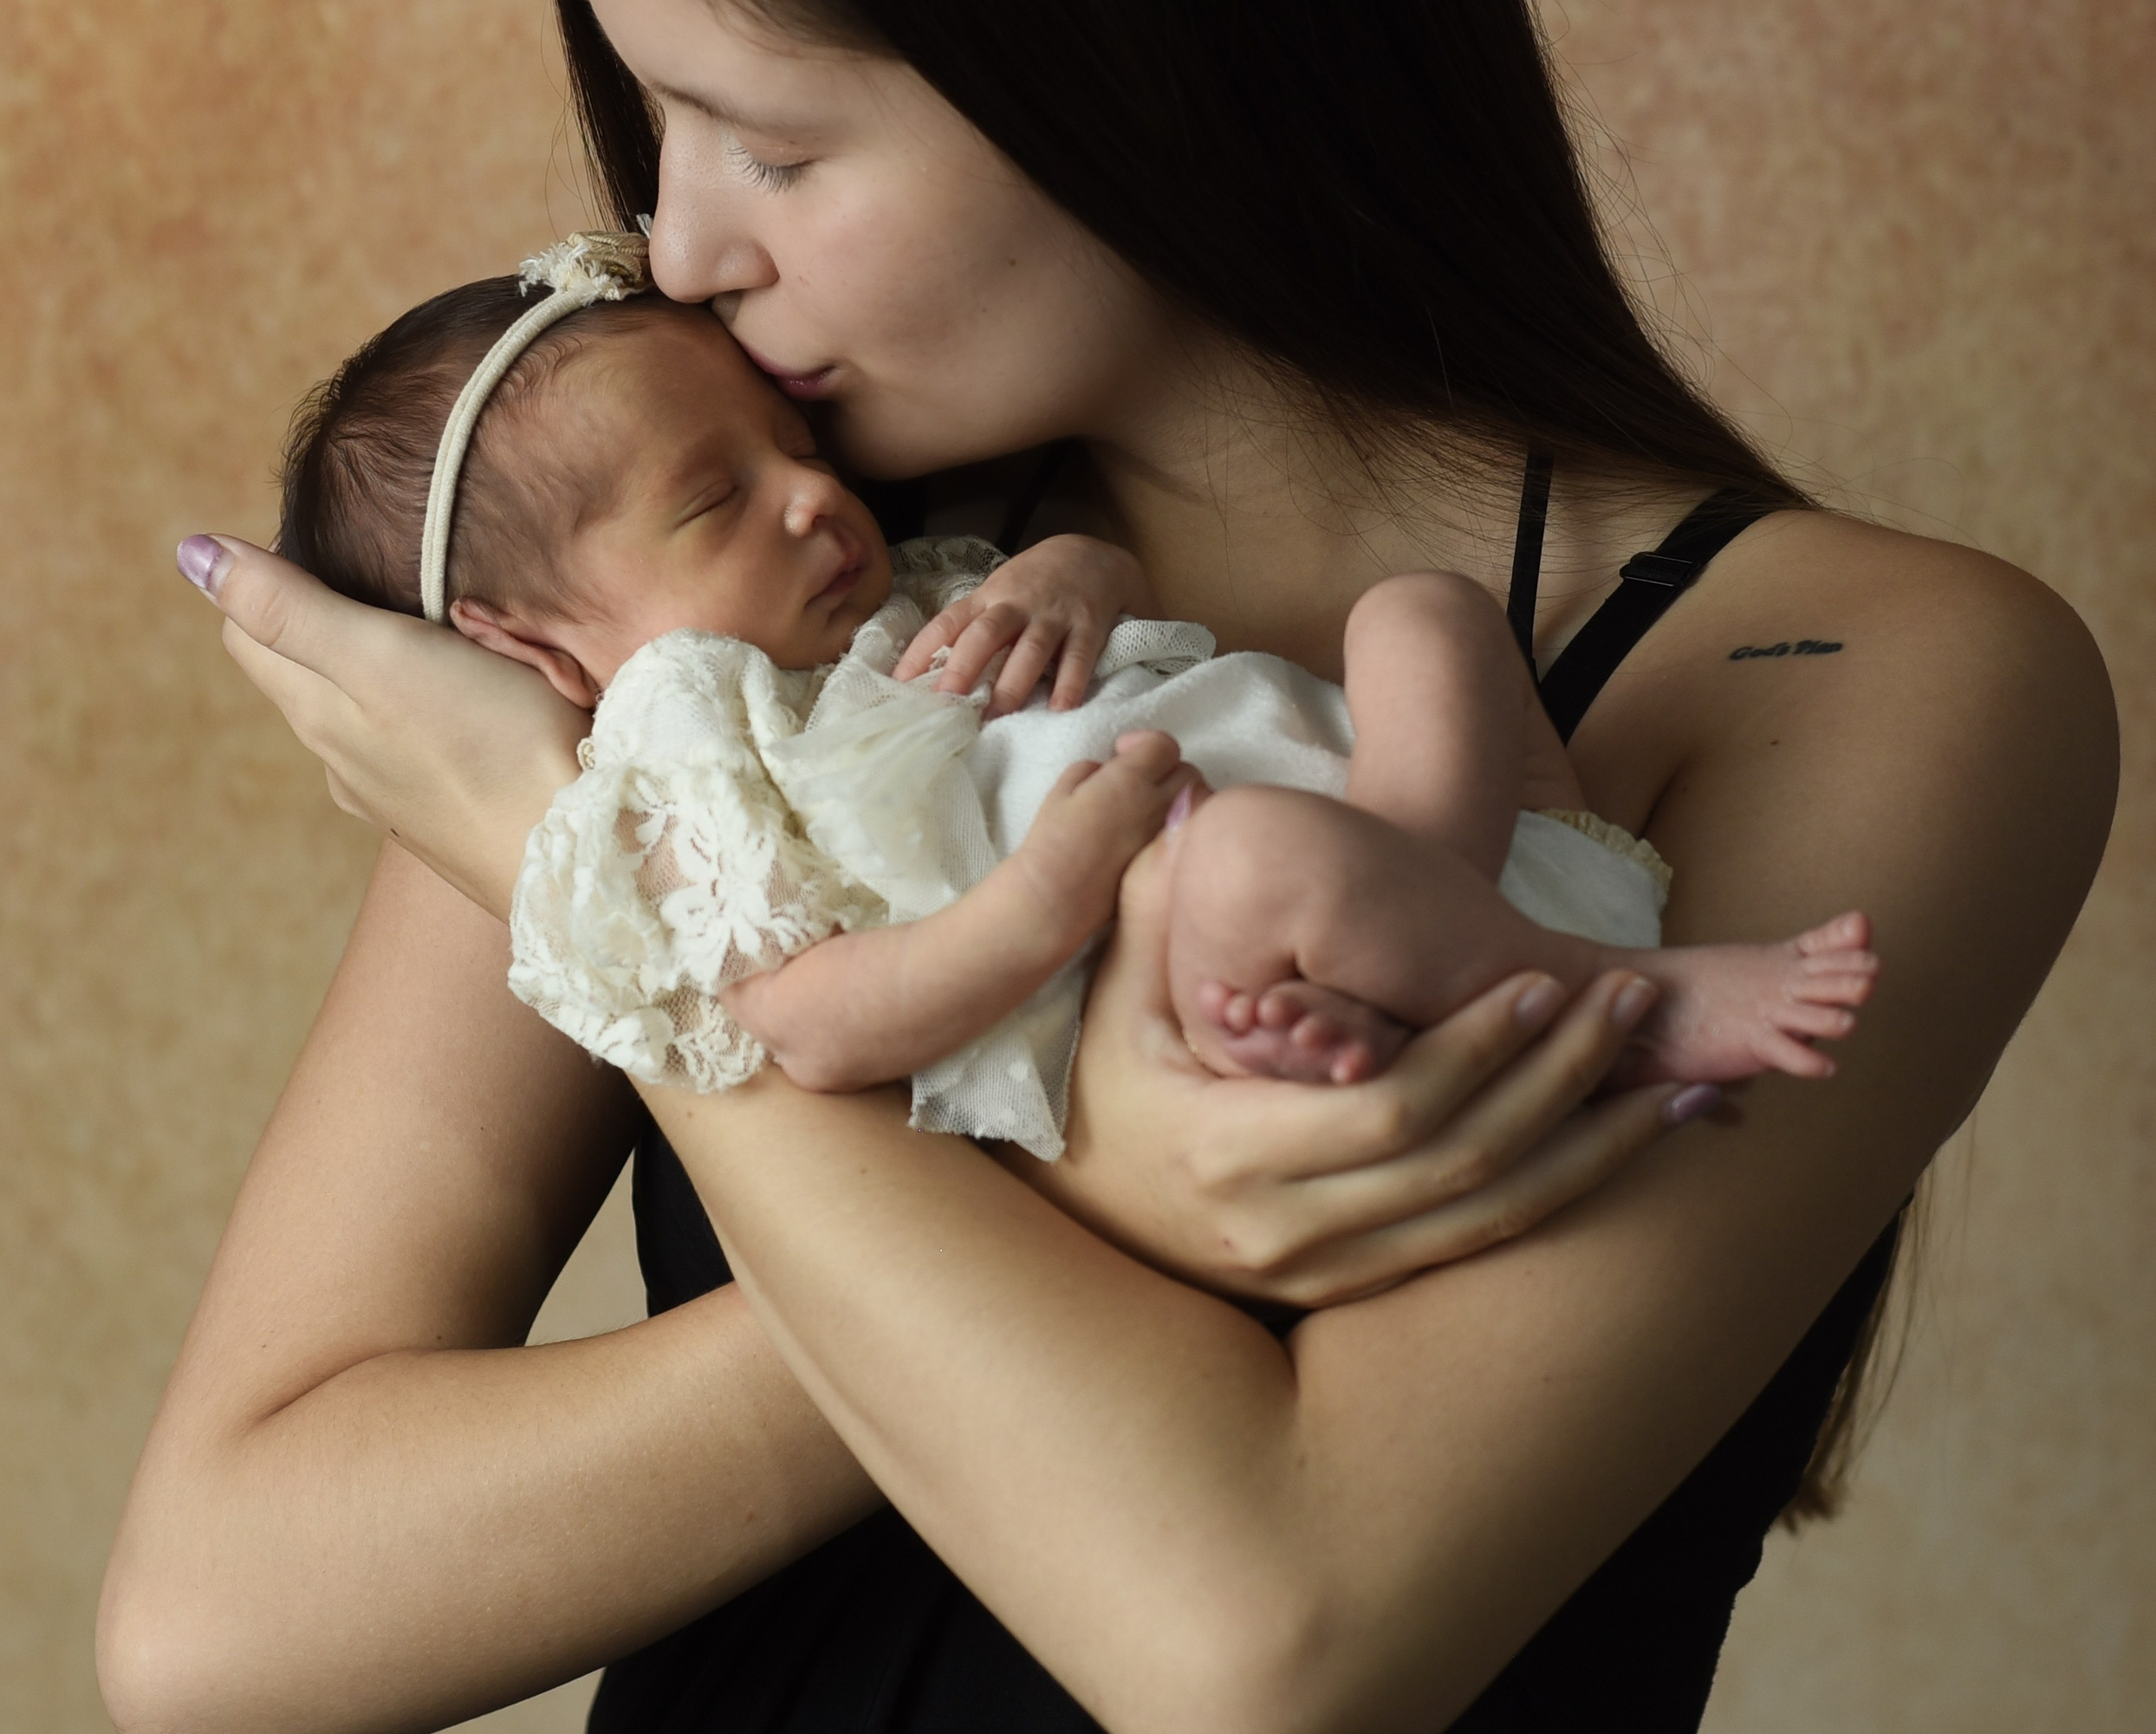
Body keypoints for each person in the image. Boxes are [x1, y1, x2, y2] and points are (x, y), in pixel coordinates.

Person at [98, 0, 2114, 1734]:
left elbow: (1260, 1636)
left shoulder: (1865, 679)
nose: (675, 264)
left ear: (1142, 44)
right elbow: (217, 1642)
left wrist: (638, 925)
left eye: (772, 144)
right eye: (649, 127)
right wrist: (1031, 1143)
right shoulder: (730, 654)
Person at [279, 237, 1876, 1140]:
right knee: (1256, 865)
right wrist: (1048, 895)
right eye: (716, 504)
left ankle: (1428, 895)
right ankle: (1617, 1005)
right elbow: (812, 1025)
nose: (814, 500)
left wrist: (1073, 574)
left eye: (796, 449)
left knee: (1421, 612)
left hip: (1431, 827)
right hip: (1214, 920)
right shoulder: (683, 769)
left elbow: (1118, 620)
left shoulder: (887, 589)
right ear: (548, 656)